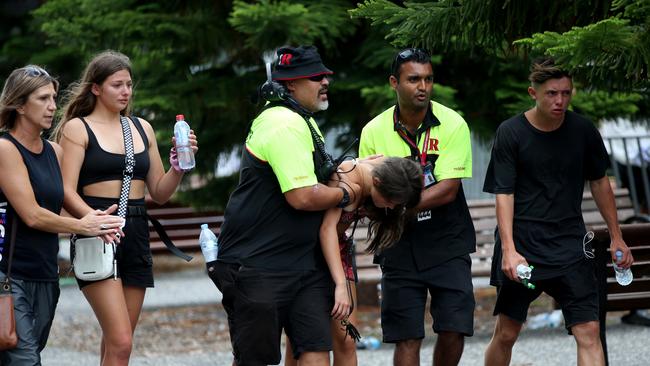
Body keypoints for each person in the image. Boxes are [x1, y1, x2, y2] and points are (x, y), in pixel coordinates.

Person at [482, 58, 634, 366]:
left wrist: (617, 237)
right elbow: (504, 194)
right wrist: (509, 250)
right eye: (552, 93)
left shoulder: (583, 130)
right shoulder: (511, 133)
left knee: (589, 330)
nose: (560, 100)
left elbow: (600, 183)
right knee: (508, 332)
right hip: (523, 246)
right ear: (533, 93)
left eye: (566, 93)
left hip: (570, 245)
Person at [51, 50, 198, 365]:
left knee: (116, 342)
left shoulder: (141, 127)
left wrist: (178, 168)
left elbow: (159, 192)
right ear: (96, 88)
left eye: (129, 84)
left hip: (136, 229)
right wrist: (91, 220)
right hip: (98, 232)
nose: (126, 91)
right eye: (117, 85)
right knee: (121, 342)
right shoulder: (78, 128)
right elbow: (64, 190)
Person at [212, 45, 353, 366]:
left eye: (325, 75)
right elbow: (302, 196)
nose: (325, 81)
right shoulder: (282, 124)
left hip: (304, 265)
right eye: (316, 77)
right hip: (257, 265)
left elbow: (321, 179)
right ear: (290, 85)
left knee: (316, 352)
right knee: (255, 360)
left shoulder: (303, 119)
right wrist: (345, 195)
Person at [359, 48, 476, 366]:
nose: (422, 86)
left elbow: (448, 189)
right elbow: (369, 190)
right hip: (398, 243)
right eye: (413, 80)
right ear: (394, 83)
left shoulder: (453, 124)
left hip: (447, 242)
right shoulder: (373, 131)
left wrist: (398, 205)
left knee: (454, 328)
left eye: (428, 79)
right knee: (407, 336)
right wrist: (391, 211)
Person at [0, 65, 124, 365]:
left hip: (45, 273)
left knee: (25, 352)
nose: (53, 106)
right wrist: (83, 224)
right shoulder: (5, 148)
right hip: (8, 274)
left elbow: (60, 201)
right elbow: (32, 214)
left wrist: (98, 219)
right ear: (19, 104)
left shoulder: (54, 151)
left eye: (54, 97)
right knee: (25, 359)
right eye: (43, 99)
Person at [285, 156, 423, 366]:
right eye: (390, 201)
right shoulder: (348, 181)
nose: (392, 208)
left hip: (338, 249)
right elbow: (327, 229)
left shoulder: (386, 170)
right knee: (303, 341)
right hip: (309, 252)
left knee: (347, 338)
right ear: (377, 183)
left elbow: (406, 171)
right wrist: (340, 284)